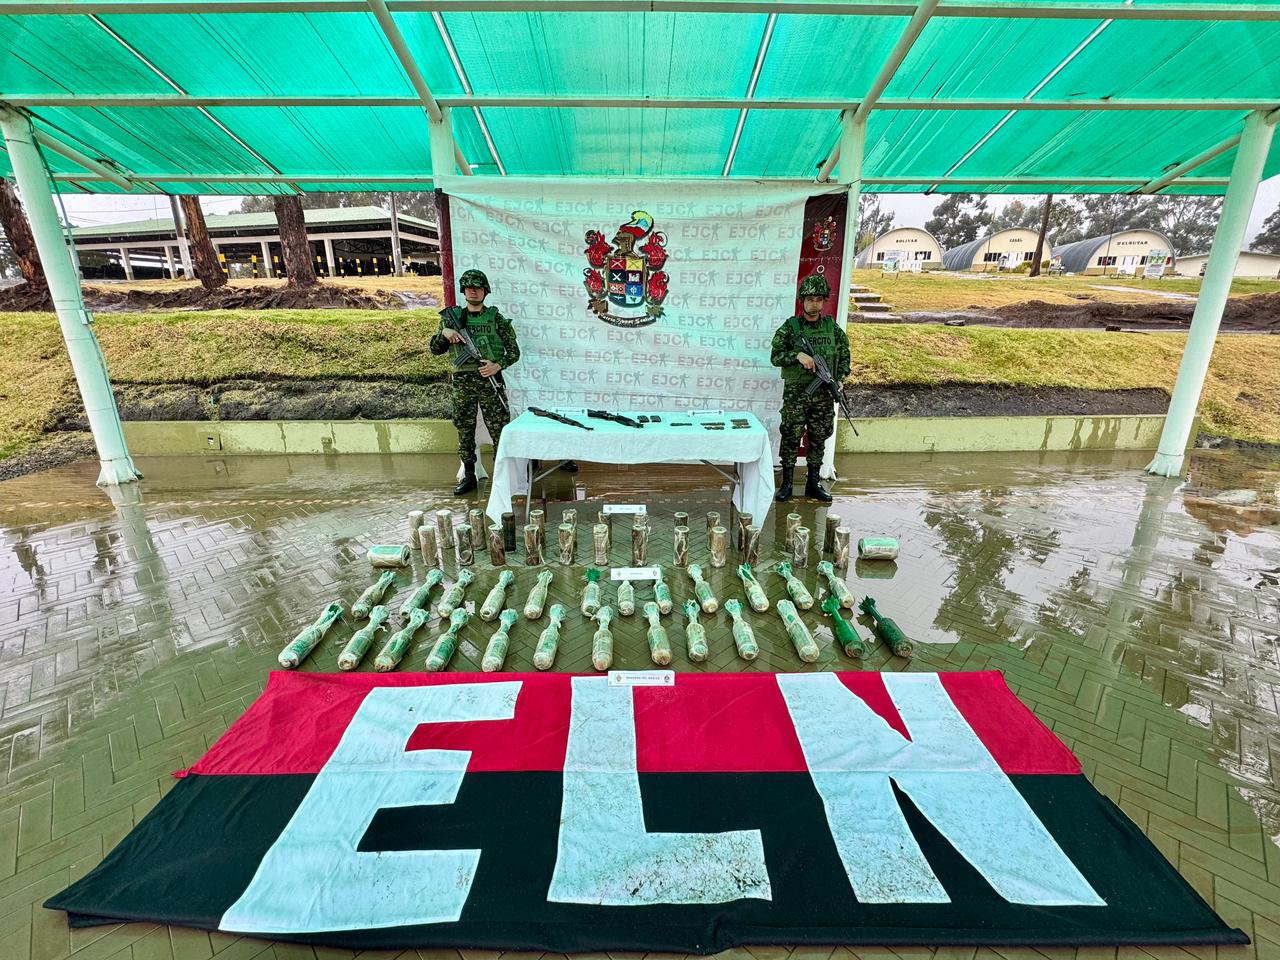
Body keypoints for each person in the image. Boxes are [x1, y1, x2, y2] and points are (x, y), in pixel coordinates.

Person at [431, 269, 519, 495]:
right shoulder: (451, 318)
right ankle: (469, 474)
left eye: (477, 287)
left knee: (499, 427)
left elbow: (514, 352)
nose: (473, 290)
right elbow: (435, 350)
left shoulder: (496, 319)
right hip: (462, 381)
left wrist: (497, 365)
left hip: (490, 380)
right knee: (464, 427)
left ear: (485, 291)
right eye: (469, 287)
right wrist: (444, 333)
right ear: (463, 290)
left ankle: (502, 475)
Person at [770, 272, 851, 503]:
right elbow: (775, 356)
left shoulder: (832, 329)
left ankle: (813, 483)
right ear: (802, 301)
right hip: (797, 395)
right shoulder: (791, 327)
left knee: (818, 438)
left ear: (824, 301)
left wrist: (841, 378)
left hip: (824, 395)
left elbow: (845, 357)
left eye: (818, 299)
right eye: (809, 299)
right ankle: (786, 483)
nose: (814, 303)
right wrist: (797, 355)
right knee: (791, 436)